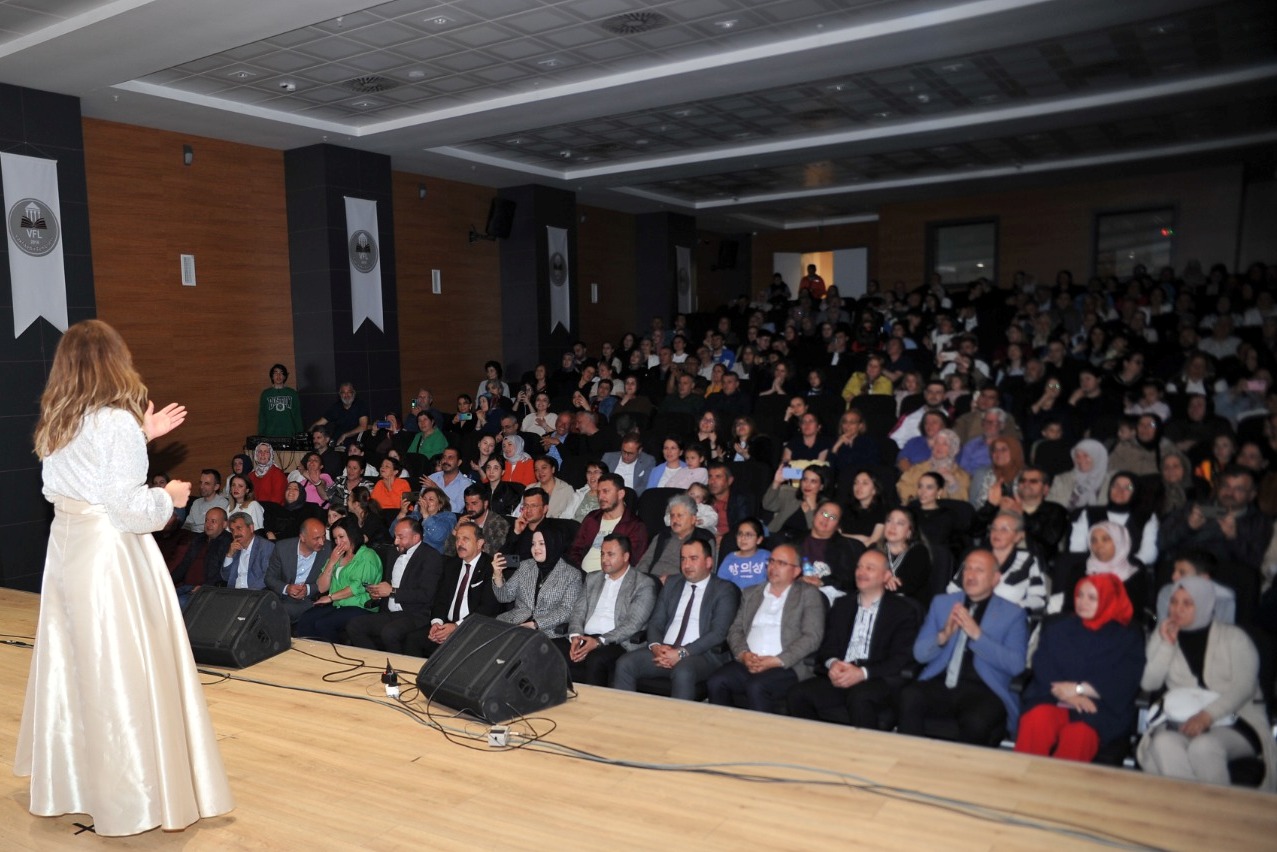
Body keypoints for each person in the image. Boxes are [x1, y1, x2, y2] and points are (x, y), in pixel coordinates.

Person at [17, 318, 233, 836]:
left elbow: (79, 479)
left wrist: (142, 434)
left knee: (78, 667)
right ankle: (131, 792)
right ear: (116, 360)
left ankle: (76, 781)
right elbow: (128, 509)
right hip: (109, 557)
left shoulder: (58, 419)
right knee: (122, 670)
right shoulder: (113, 421)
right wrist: (172, 498)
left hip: (67, 550)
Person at [1138, 577, 1276, 790]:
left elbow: (1244, 687)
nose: (1177, 609)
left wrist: (1206, 716)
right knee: (1162, 743)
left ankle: (1219, 816)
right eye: (1174, 602)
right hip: (1183, 719)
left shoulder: (1235, 638)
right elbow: (1149, 683)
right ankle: (1188, 814)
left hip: (1237, 720)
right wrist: (1167, 645)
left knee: (1204, 747)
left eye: (1187, 603)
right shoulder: (1163, 633)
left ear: (1204, 604)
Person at [896, 549, 1029, 746]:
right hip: (939, 682)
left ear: (995, 578)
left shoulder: (1013, 614)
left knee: (976, 721)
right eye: (967, 569)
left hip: (984, 689)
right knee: (909, 697)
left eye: (979, 570)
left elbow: (1016, 665)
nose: (971, 575)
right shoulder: (942, 603)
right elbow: (920, 653)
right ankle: (911, 762)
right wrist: (943, 636)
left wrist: (977, 636)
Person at [786, 550, 923, 729]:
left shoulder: (902, 611)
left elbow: (901, 658)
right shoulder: (843, 605)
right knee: (798, 694)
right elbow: (828, 647)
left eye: (869, 568)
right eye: (859, 567)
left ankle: (863, 754)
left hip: (876, 678)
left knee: (859, 697)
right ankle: (815, 748)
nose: (861, 572)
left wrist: (862, 673)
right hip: (841, 672)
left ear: (886, 576)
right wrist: (833, 663)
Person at [1015, 574, 1145, 762]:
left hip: (1097, 707)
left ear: (1108, 599)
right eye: (1079, 595)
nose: (1082, 602)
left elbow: (1125, 680)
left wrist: (1079, 689)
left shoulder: (1127, 637)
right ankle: (1020, 781)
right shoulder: (1058, 627)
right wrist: (1068, 694)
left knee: (1078, 734)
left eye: (1092, 598)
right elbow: (1042, 663)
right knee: (1036, 719)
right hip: (1054, 696)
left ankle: (1061, 790)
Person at [612, 538, 742, 700]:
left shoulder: (723, 589)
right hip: (665, 650)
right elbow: (656, 622)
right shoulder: (673, 583)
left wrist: (681, 653)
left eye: (693, 559)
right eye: (683, 559)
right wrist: (656, 647)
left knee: (683, 670)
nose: (686, 565)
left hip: (702, 655)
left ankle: (678, 723)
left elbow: (718, 633)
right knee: (625, 664)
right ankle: (623, 718)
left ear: (709, 562)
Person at [706, 543, 826, 713]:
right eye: (771, 561)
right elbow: (735, 630)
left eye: (781, 563)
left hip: (787, 665)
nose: (773, 567)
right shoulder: (751, 593)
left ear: (796, 571)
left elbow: (812, 636)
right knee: (716, 681)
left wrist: (776, 660)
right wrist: (744, 655)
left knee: (757, 686)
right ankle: (722, 733)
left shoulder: (808, 595)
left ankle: (760, 738)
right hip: (749, 661)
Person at [558, 534, 659, 687]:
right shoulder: (593, 578)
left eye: (610, 554)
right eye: (602, 554)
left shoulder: (643, 584)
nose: (604, 559)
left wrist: (599, 642)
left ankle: (591, 708)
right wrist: (575, 637)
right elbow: (578, 611)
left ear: (626, 556)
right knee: (550, 648)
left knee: (595, 659)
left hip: (617, 642)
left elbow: (632, 624)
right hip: (585, 636)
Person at [346, 518, 444, 653]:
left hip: (415, 613)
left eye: (400, 537)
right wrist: (379, 594)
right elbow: (389, 584)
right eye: (395, 536)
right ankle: (375, 662)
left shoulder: (431, 557)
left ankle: (397, 669)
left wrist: (392, 592)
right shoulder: (393, 552)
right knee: (354, 625)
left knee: (390, 632)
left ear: (416, 538)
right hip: (390, 611)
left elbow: (426, 594)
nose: (395, 541)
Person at [294, 515, 381, 643]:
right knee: (306, 618)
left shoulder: (368, 556)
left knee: (323, 624)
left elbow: (358, 587)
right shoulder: (337, 556)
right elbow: (322, 586)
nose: (338, 542)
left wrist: (330, 597)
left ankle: (335, 658)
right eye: (335, 538)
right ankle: (311, 656)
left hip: (360, 605)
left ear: (352, 535)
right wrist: (331, 563)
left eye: (341, 537)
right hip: (338, 604)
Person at [493, 526, 582, 638]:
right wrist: (498, 575)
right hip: (513, 624)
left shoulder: (571, 575)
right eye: (533, 544)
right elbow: (504, 597)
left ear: (553, 544)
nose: (536, 548)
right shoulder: (525, 566)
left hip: (545, 632)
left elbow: (566, 610)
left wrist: (536, 624)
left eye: (541, 543)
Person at [566, 474, 649, 572]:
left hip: (608, 579)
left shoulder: (635, 526)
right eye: (599, 492)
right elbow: (575, 549)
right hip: (580, 575)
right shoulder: (592, 518)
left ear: (621, 494)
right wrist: (578, 572)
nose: (601, 497)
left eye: (606, 491)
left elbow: (632, 561)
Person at [263, 517, 332, 626]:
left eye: (323, 536)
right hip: (282, 597)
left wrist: (308, 589)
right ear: (303, 538)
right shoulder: (282, 548)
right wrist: (287, 588)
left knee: (279, 612)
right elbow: (269, 578)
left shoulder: (329, 549)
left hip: (311, 600)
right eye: (316, 538)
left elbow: (332, 579)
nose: (322, 542)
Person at [171, 506, 232, 610]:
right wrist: (167, 581)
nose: (208, 524)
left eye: (213, 521)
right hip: (186, 587)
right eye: (206, 520)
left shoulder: (227, 542)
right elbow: (184, 565)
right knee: (157, 598)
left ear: (224, 524)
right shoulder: (199, 539)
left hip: (205, 590)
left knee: (176, 604)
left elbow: (223, 574)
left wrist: (205, 588)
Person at [1046, 439, 1111, 510]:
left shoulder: (1112, 481)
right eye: (1077, 456)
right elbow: (1051, 507)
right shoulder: (1062, 480)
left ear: (1098, 457)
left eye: (1086, 455)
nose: (1080, 460)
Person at [221, 511, 275, 590]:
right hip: (233, 594)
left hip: (255, 593)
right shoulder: (234, 548)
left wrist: (248, 592)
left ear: (251, 528)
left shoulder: (266, 547)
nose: (235, 533)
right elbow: (225, 577)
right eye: (232, 530)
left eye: (239, 528)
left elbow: (268, 577)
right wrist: (229, 555)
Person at [717, 518, 771, 590]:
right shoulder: (730, 559)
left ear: (759, 539)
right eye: (740, 534)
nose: (743, 538)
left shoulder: (767, 557)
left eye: (748, 535)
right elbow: (721, 585)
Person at [257, 363, 302, 437]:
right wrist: (261, 434)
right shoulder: (265, 394)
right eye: (275, 373)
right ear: (272, 376)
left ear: (285, 376)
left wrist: (300, 433)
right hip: (270, 433)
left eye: (281, 373)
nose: (278, 376)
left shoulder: (292, 393)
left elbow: (297, 415)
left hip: (289, 433)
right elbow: (262, 416)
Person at [248, 441, 288, 505]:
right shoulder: (251, 475)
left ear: (270, 455)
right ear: (256, 455)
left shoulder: (278, 474)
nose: (262, 454)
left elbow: (278, 499)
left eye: (266, 452)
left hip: (272, 510)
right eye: (260, 451)